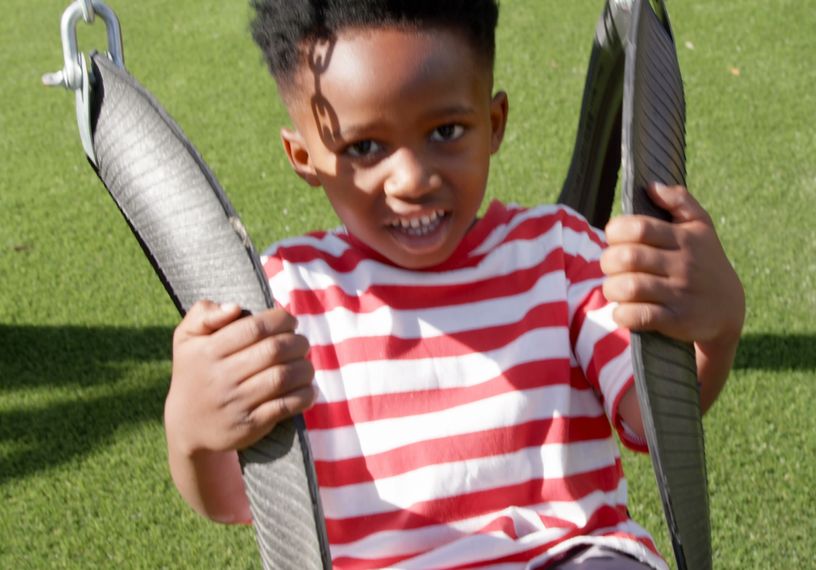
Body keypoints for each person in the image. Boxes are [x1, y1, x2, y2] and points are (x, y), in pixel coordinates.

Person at [164, 1, 744, 568]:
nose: (412, 178)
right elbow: (238, 500)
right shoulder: (287, 296)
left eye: (445, 130)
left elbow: (652, 416)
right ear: (304, 157)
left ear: (493, 124)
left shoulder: (559, 255)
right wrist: (192, 427)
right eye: (364, 148)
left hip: (568, 553)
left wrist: (717, 326)